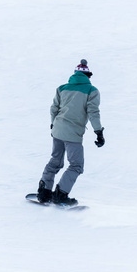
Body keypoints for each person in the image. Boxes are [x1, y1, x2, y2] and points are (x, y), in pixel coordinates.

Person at [37, 59, 105, 206]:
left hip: (57, 129)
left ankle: (44, 192)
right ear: (88, 76)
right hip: (73, 133)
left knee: (55, 160)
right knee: (76, 165)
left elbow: (54, 109)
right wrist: (98, 132)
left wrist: (53, 124)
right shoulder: (92, 91)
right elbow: (93, 112)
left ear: (75, 74)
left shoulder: (62, 88)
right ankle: (60, 194)